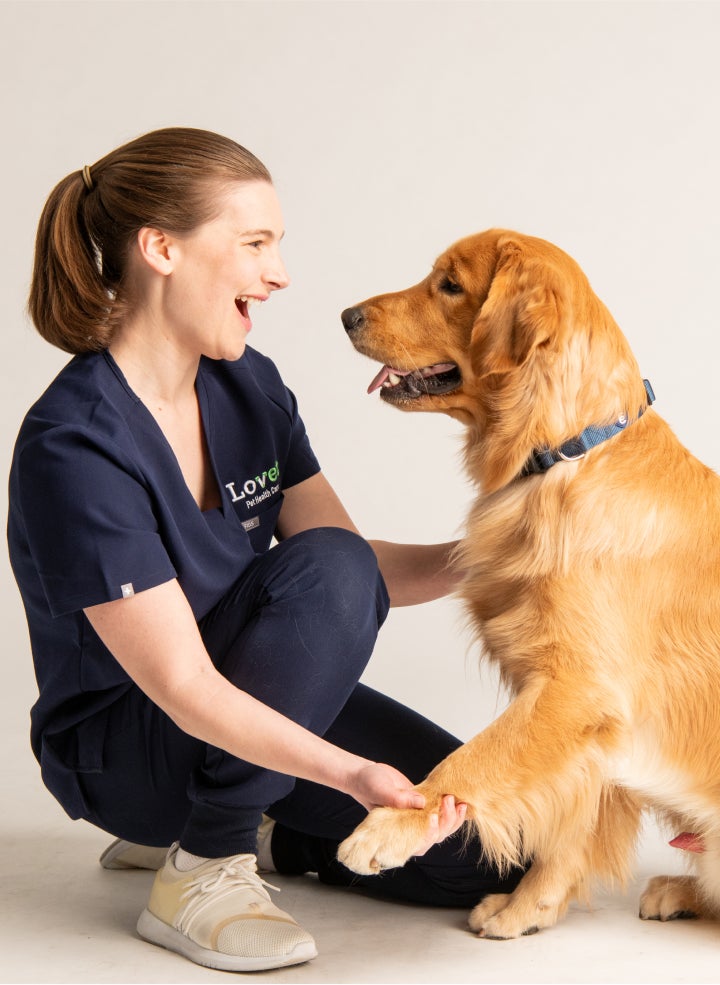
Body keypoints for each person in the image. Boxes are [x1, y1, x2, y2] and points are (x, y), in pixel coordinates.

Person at [7, 127, 523, 973]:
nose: (278, 273)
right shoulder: (75, 444)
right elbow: (183, 682)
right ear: (161, 248)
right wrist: (354, 775)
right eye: (255, 244)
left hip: (246, 709)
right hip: (129, 747)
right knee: (333, 568)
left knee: (492, 848)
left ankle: (270, 831)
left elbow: (360, 571)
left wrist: (506, 545)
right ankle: (204, 863)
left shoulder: (250, 384)